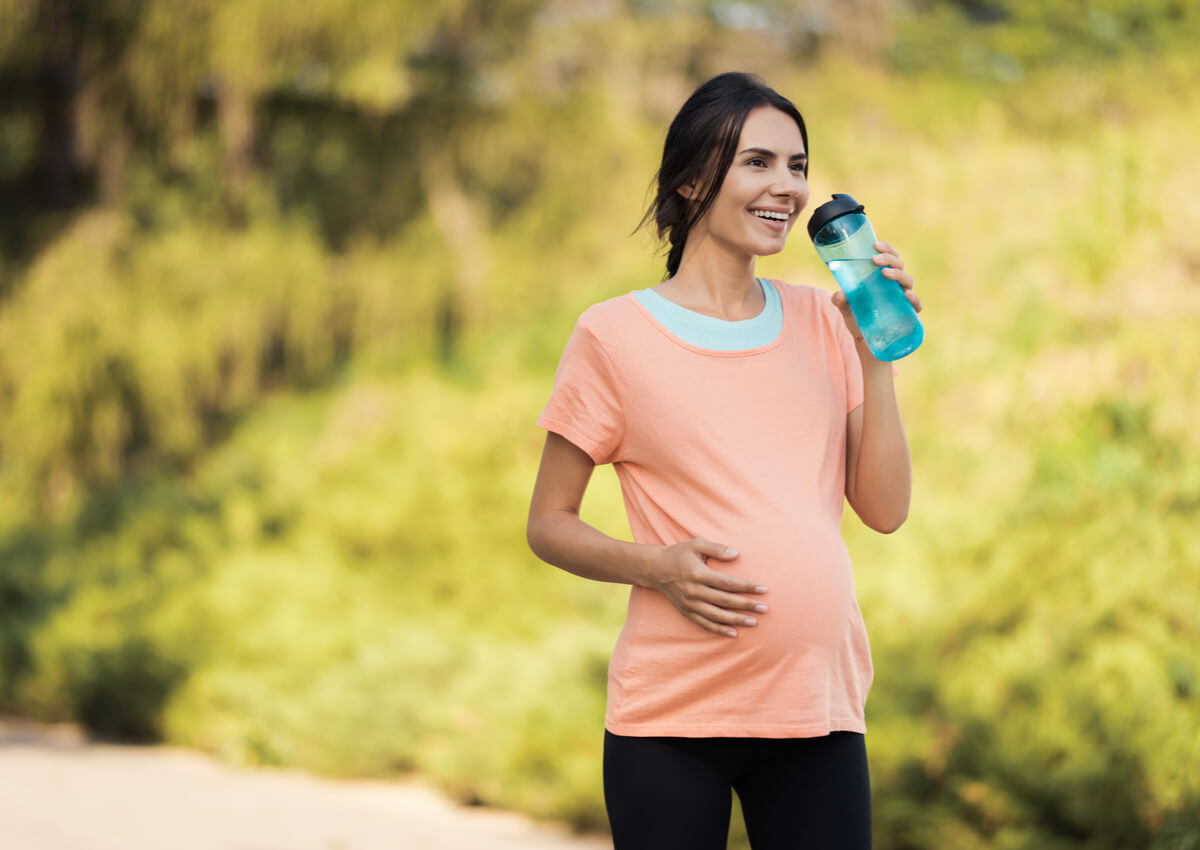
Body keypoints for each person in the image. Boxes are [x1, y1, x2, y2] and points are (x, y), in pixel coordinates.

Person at [526, 71, 921, 850]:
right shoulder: (613, 337)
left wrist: (877, 345)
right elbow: (547, 523)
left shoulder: (821, 318)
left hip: (818, 705)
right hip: (673, 716)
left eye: (798, 166)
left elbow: (884, 510)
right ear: (694, 179)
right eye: (760, 163)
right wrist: (657, 567)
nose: (788, 187)